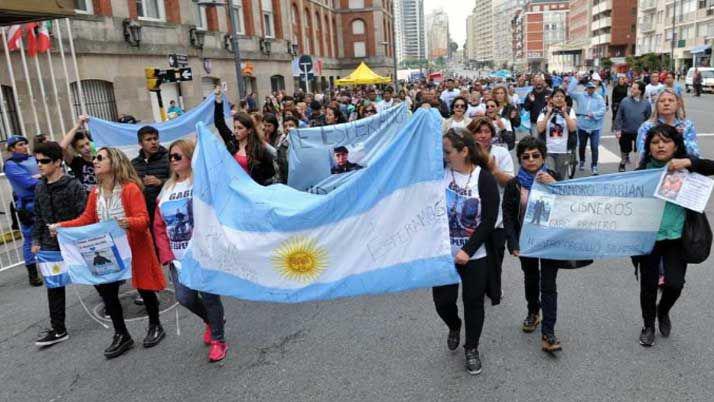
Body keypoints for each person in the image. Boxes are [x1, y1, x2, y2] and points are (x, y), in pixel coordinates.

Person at [54, 147, 167, 358]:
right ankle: (121, 333)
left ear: (113, 163)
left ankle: (155, 325)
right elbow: (86, 219)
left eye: (100, 158)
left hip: (134, 245)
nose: (95, 161)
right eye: (95, 158)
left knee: (144, 288)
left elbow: (143, 219)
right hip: (108, 249)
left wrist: (127, 222)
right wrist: (62, 226)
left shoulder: (130, 189)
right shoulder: (95, 193)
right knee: (107, 292)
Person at [633, 124, 712, 347]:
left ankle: (663, 310)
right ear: (648, 147)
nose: (660, 145)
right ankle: (648, 325)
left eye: (666, 141)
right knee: (648, 285)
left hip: (677, 237)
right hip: (648, 239)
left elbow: (711, 166)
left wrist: (688, 162)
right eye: (655, 142)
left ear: (676, 145)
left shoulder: (686, 167)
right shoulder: (642, 173)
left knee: (675, 284)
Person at [154, 139, 228, 362]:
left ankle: (218, 339)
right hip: (178, 258)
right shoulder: (166, 188)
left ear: (189, 158)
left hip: (202, 254)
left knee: (209, 297)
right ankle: (211, 320)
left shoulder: (200, 184)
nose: (173, 161)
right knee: (185, 298)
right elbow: (158, 224)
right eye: (170, 157)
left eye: (178, 156)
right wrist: (165, 253)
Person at [433, 128, 499, 375]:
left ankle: (471, 348)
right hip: (443, 255)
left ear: (464, 151)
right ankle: (454, 325)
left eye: (448, 151)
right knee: (443, 302)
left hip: (474, 255)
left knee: (473, 303)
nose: (444, 155)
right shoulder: (439, 174)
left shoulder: (484, 178)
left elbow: (489, 220)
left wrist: (468, 250)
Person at [502, 136, 563, 352]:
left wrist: (555, 186)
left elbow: (571, 205)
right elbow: (508, 216)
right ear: (519, 159)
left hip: (549, 240)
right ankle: (533, 312)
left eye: (535, 155)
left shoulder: (554, 176)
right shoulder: (513, 184)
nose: (531, 160)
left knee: (549, 285)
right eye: (525, 156)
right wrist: (512, 242)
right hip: (526, 241)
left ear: (543, 157)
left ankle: (549, 333)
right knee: (531, 278)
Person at [31, 142, 87, 347]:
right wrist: (36, 240)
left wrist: (66, 228)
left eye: (44, 161)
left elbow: (84, 215)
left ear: (57, 162)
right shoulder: (39, 187)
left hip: (74, 242)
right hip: (50, 246)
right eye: (37, 161)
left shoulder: (73, 185)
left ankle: (112, 306)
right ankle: (58, 329)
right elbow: (38, 216)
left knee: (95, 276)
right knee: (54, 286)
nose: (39, 165)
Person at [468, 117, 515, 283]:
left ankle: (494, 286)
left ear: (492, 134)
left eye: (486, 131)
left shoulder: (501, 153)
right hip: (472, 218)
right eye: (478, 132)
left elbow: (511, 183)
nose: (482, 136)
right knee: (475, 259)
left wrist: (494, 170)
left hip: (498, 219)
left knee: (495, 257)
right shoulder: (465, 154)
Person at [214, 87, 276, 185]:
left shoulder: (259, 149)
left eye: (240, 128)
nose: (236, 131)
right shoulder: (232, 143)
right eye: (235, 127)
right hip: (235, 190)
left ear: (249, 130)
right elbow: (219, 123)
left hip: (254, 192)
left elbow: (269, 173)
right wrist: (218, 101)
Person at [4, 135, 43, 286]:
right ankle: (33, 275)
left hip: (41, 200)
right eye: (20, 144)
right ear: (12, 148)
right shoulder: (11, 165)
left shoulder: (33, 159)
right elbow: (27, 183)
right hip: (27, 206)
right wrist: (43, 176)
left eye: (25, 143)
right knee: (30, 239)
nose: (24, 146)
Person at [636, 88, 699, 162]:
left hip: (682, 168)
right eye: (662, 101)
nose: (666, 103)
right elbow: (642, 153)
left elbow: (695, 153)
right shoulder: (647, 127)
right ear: (656, 105)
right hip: (656, 169)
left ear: (677, 104)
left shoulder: (687, 125)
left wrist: (679, 139)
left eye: (671, 100)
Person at [130, 126, 170, 226]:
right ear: (140, 143)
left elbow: (180, 181)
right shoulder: (134, 164)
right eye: (148, 139)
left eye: (155, 139)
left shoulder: (169, 158)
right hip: (143, 214)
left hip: (164, 212)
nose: (153, 142)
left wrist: (160, 182)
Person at [535, 88, 577, 179]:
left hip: (564, 151)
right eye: (556, 96)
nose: (559, 98)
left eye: (562, 96)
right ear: (551, 99)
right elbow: (540, 129)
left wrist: (564, 113)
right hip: (548, 151)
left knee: (560, 178)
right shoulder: (544, 111)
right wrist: (548, 113)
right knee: (550, 176)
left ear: (565, 99)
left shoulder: (570, 111)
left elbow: (573, 128)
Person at [567, 78, 606, 175]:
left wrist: (594, 114)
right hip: (582, 127)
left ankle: (594, 166)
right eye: (589, 88)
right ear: (586, 88)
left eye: (592, 88)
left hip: (595, 127)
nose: (591, 90)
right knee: (582, 146)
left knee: (594, 147)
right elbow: (570, 92)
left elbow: (603, 110)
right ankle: (582, 161)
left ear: (595, 88)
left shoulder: (599, 98)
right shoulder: (580, 96)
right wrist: (576, 80)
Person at [614, 81, 651, 172]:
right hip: (626, 130)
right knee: (624, 149)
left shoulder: (646, 104)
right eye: (632, 87)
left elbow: (648, 118)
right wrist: (618, 129)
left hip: (640, 132)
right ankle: (623, 162)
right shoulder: (625, 101)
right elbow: (619, 116)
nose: (631, 90)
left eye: (634, 88)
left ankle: (637, 167)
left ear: (640, 91)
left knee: (639, 150)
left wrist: (648, 131)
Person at [60, 115, 97, 192]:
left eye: (87, 144)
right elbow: (62, 147)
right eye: (81, 147)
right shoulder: (76, 162)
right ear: (76, 150)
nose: (86, 148)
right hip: (84, 200)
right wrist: (78, 125)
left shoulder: (99, 159)